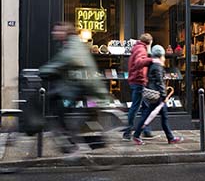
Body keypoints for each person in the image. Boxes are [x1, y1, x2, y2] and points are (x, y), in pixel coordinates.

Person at [40, 22, 109, 154]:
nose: (54, 33)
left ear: (65, 32)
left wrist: (43, 71)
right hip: (78, 85)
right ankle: (68, 137)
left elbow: (64, 61)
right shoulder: (71, 43)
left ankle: (70, 140)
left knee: (59, 105)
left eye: (58, 31)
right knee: (58, 102)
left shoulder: (72, 46)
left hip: (81, 87)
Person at [132, 45, 183, 145]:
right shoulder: (157, 66)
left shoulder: (153, 64)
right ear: (160, 55)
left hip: (155, 95)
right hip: (157, 95)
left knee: (161, 116)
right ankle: (137, 135)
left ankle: (170, 137)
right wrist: (164, 96)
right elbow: (160, 82)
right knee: (151, 115)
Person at [122, 33, 158, 141]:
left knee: (145, 107)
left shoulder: (137, 48)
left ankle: (146, 130)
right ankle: (127, 132)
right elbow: (138, 62)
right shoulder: (141, 49)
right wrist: (152, 60)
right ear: (149, 42)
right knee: (136, 107)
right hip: (138, 81)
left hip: (136, 80)